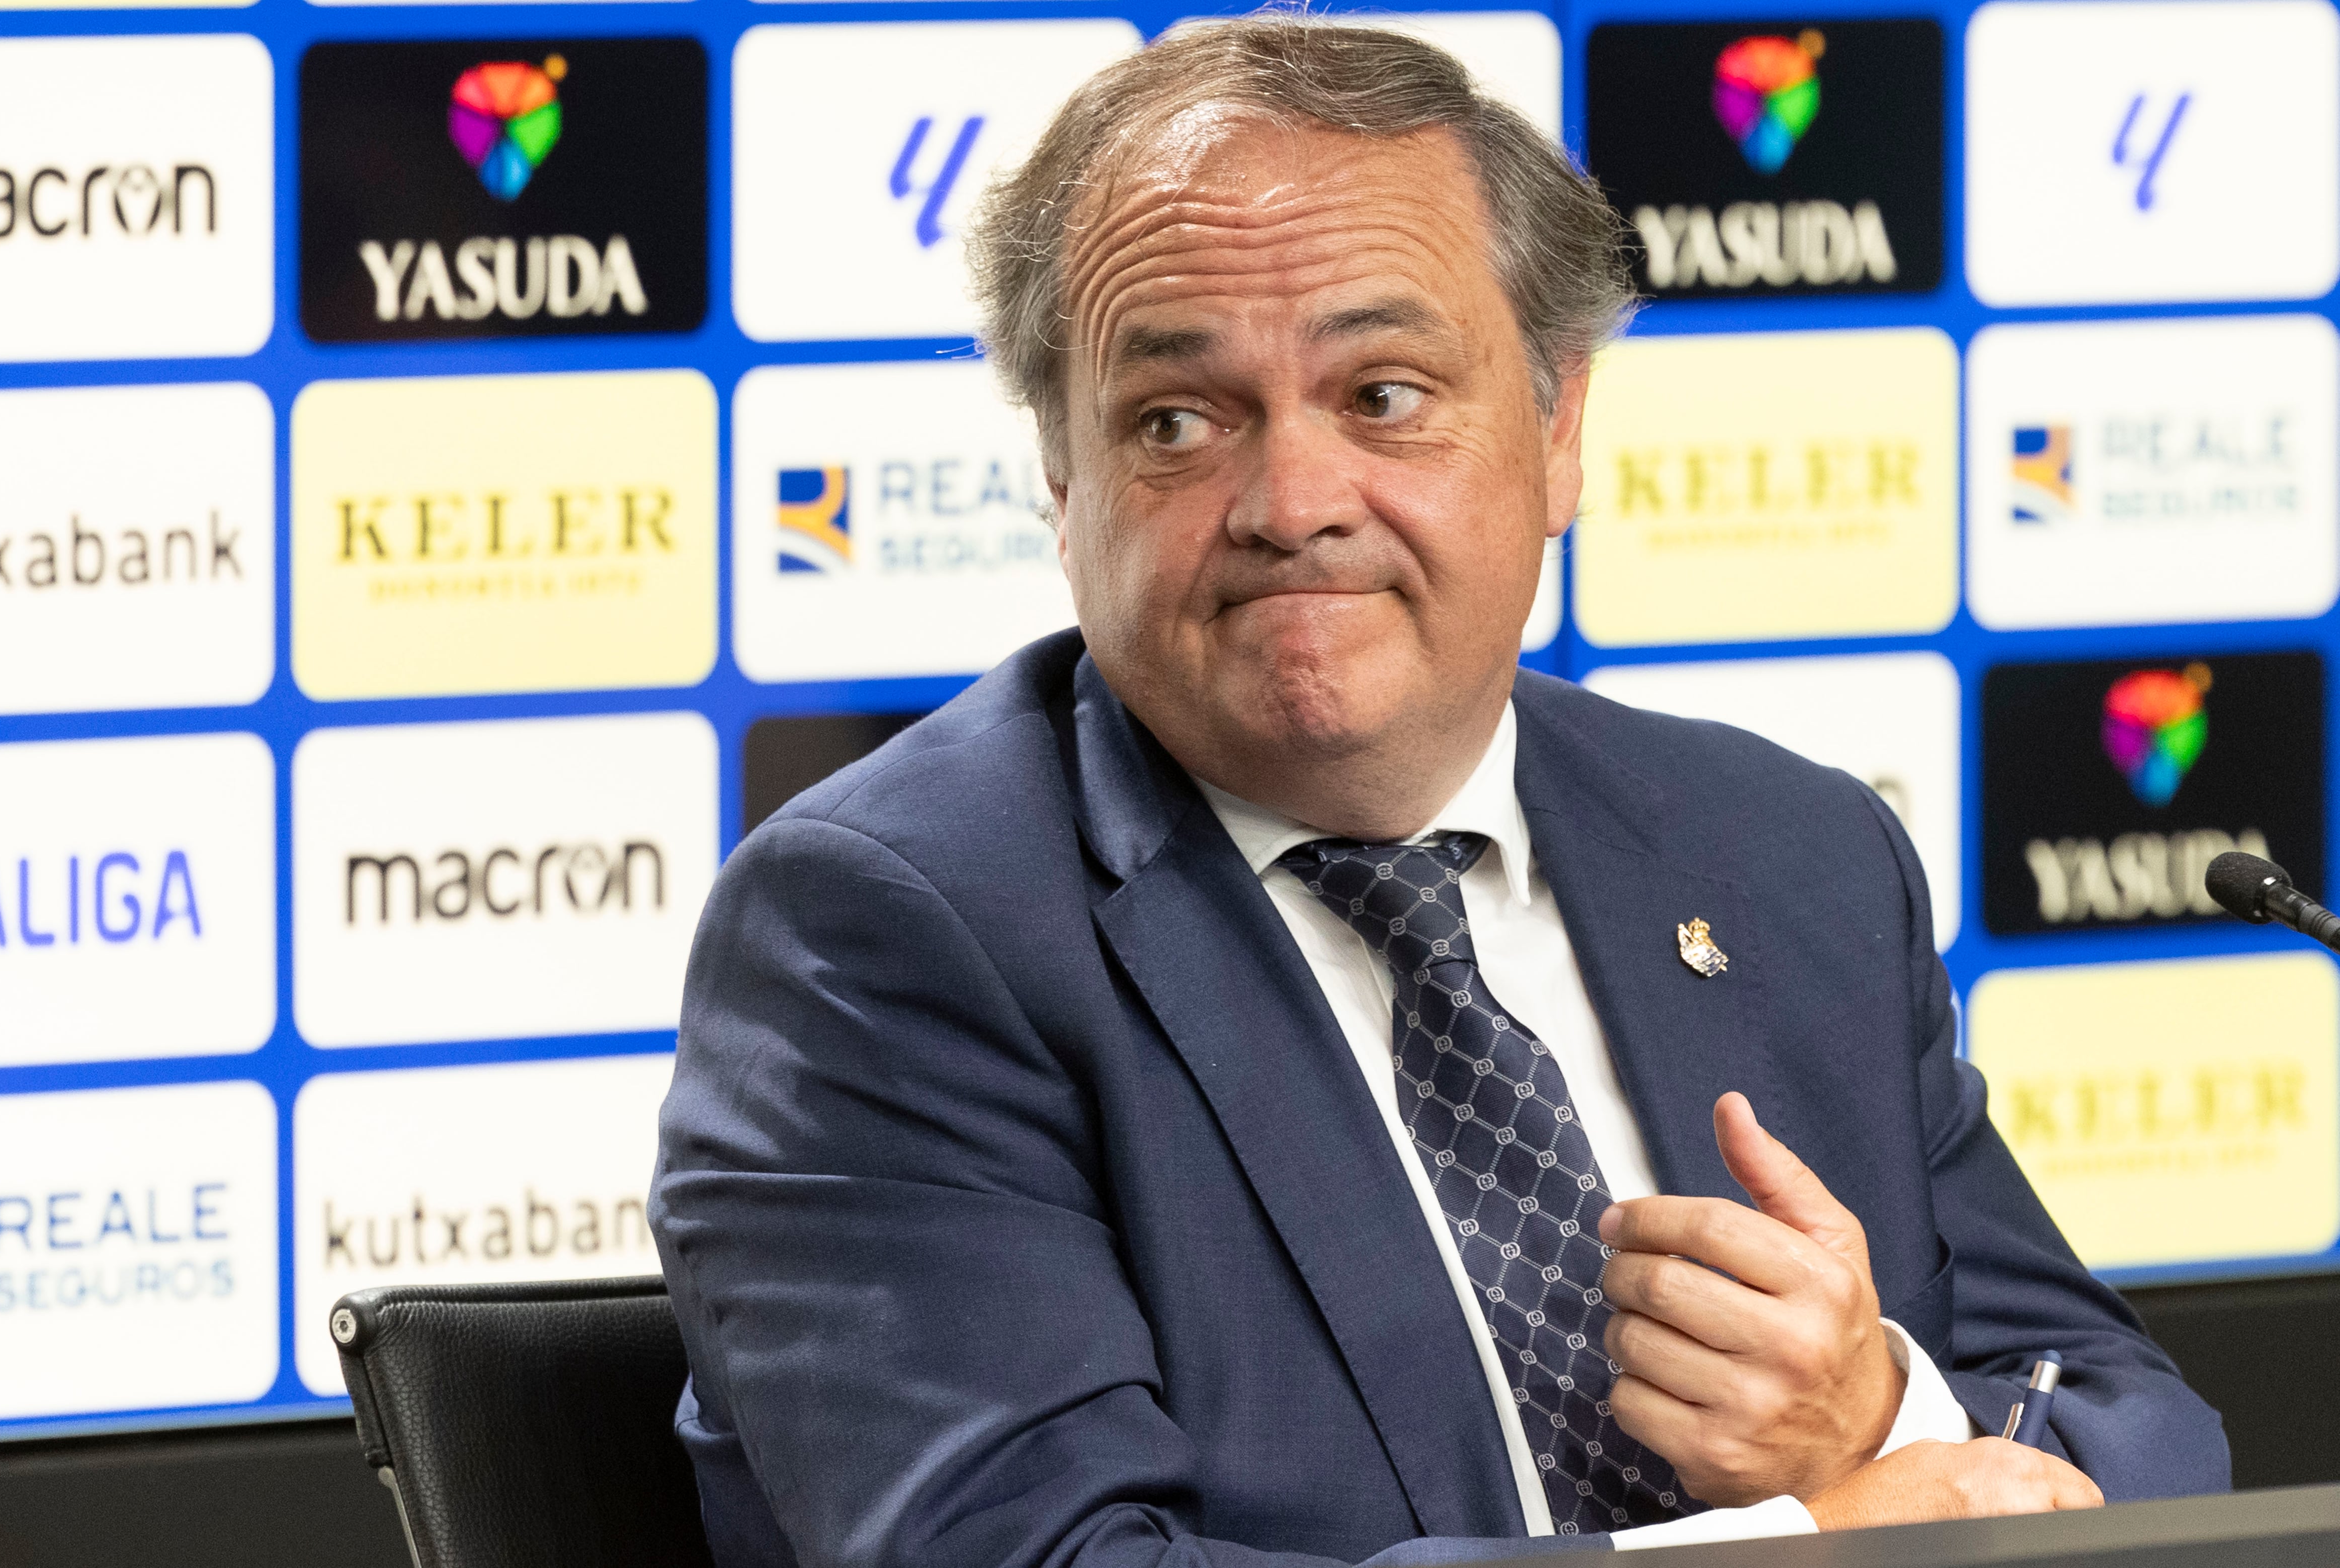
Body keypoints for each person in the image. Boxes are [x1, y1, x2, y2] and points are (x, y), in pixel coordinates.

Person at [651, 18, 2227, 1566]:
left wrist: (1879, 1418)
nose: (1293, 503)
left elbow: (2148, 1448)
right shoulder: (886, 935)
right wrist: (1791, 1546)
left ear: (1558, 431)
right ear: (1064, 488)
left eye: (1384, 395)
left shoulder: (1788, 852)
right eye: (1177, 423)